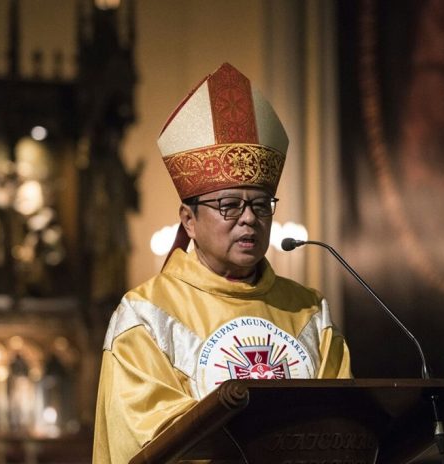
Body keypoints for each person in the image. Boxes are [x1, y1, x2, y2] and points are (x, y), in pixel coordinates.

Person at [92, 62, 352, 463]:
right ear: (189, 221)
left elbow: (345, 428)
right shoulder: (144, 318)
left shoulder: (309, 313)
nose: (249, 218)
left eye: (261, 205)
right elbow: (147, 439)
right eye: (229, 205)